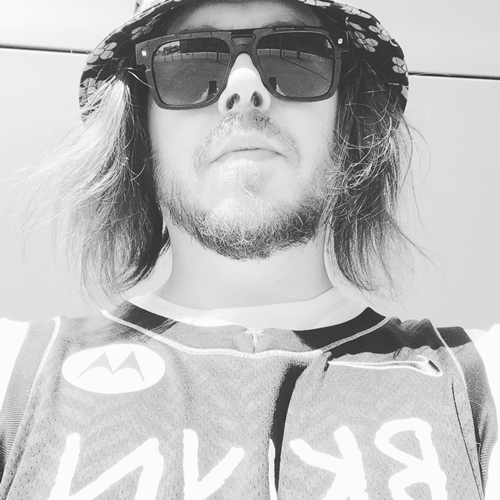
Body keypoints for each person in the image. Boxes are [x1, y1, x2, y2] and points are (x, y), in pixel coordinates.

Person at [0, 0, 498, 498]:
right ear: (139, 124)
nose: (244, 87)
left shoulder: (477, 382)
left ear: (347, 115)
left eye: (294, 55)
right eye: (188, 63)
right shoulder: (17, 376)